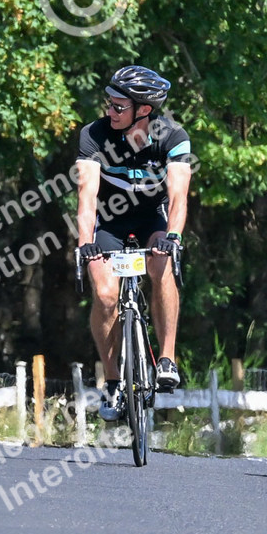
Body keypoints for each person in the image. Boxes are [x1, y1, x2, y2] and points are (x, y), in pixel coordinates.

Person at [75, 65, 193, 421]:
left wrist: (173, 237)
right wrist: (84, 243)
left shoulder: (171, 135)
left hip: (152, 218)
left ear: (143, 110)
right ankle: (113, 380)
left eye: (118, 106)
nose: (109, 111)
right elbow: (86, 196)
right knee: (106, 294)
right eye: (108, 103)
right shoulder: (94, 135)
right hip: (109, 221)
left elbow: (178, 196)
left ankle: (167, 358)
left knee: (161, 266)